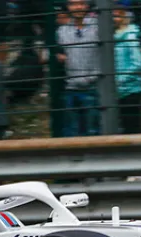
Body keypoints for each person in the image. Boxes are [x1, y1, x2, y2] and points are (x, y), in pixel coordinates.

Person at [56, 0, 100, 137]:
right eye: (73, 4)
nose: (78, 7)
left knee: (94, 132)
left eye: (81, 3)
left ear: (87, 5)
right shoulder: (61, 31)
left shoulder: (98, 26)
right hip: (71, 87)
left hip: (94, 87)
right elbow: (52, 53)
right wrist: (58, 56)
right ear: (68, 7)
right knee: (72, 132)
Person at [113, 7, 141, 134]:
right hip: (118, 89)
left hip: (131, 89)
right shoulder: (113, 36)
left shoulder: (131, 36)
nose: (114, 19)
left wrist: (120, 79)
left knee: (131, 126)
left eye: (118, 16)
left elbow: (138, 64)